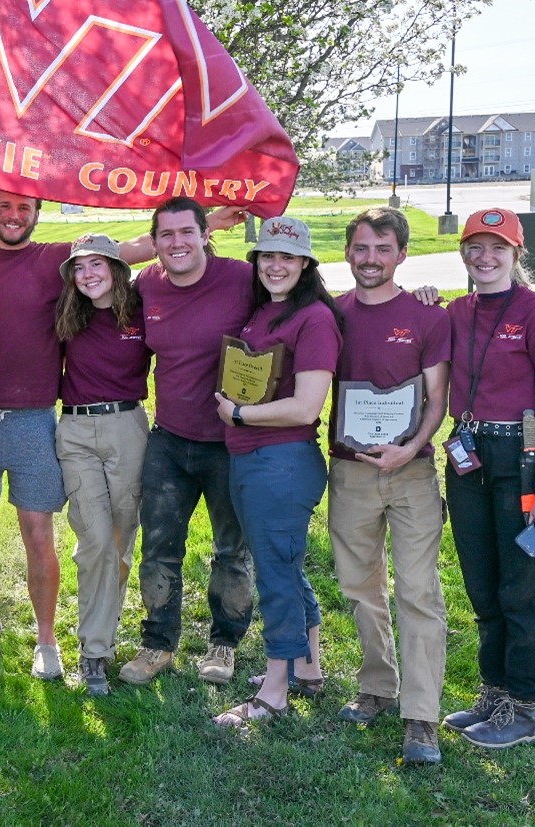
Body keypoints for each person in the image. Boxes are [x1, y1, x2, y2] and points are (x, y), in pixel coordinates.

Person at [0, 190, 151, 681]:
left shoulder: (57, 259)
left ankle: (47, 639)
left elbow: (138, 247)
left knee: (38, 532)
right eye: (5, 207)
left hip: (34, 419)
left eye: (24, 208)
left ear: (37, 215)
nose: (13, 216)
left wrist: (209, 224)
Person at [441, 208, 535, 749]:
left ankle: (523, 706)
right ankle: (493, 693)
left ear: (518, 255)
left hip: (525, 460)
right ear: (464, 253)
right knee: (483, 584)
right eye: (475, 246)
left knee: (521, 589)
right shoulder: (454, 312)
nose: (485, 257)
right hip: (468, 458)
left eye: (498, 248)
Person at [326, 206, 451, 764]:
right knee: (359, 586)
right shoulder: (331, 313)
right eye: (361, 248)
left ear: (402, 254)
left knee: (418, 591)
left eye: (382, 249)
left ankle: (421, 717)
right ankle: (377, 685)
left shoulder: (427, 315)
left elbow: (438, 399)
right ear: (348, 253)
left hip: (412, 471)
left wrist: (410, 445)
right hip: (350, 469)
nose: (370, 259)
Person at [212, 216, 342, 726]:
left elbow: (307, 406)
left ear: (306, 263)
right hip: (252, 461)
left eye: (287, 257)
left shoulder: (314, 319)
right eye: (268, 256)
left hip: (280, 463)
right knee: (285, 566)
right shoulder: (263, 312)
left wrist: (240, 414)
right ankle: (306, 667)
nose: (276, 265)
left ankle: (275, 691)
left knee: (275, 577)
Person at [124, 197, 256, 687]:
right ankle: (157, 644)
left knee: (230, 550)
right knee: (159, 548)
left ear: (205, 235)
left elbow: (307, 302)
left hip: (231, 440)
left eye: (186, 232)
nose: (177, 243)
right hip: (170, 441)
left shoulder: (243, 278)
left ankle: (225, 643)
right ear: (154, 244)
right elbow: (98, 263)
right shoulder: (147, 286)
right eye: (166, 235)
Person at [52, 234, 152, 696]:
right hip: (76, 432)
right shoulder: (66, 313)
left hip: (127, 427)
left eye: (98, 265)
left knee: (120, 536)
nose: (88, 274)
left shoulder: (141, 310)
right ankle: (94, 651)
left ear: (117, 268)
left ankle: (106, 618)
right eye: (79, 267)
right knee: (93, 538)